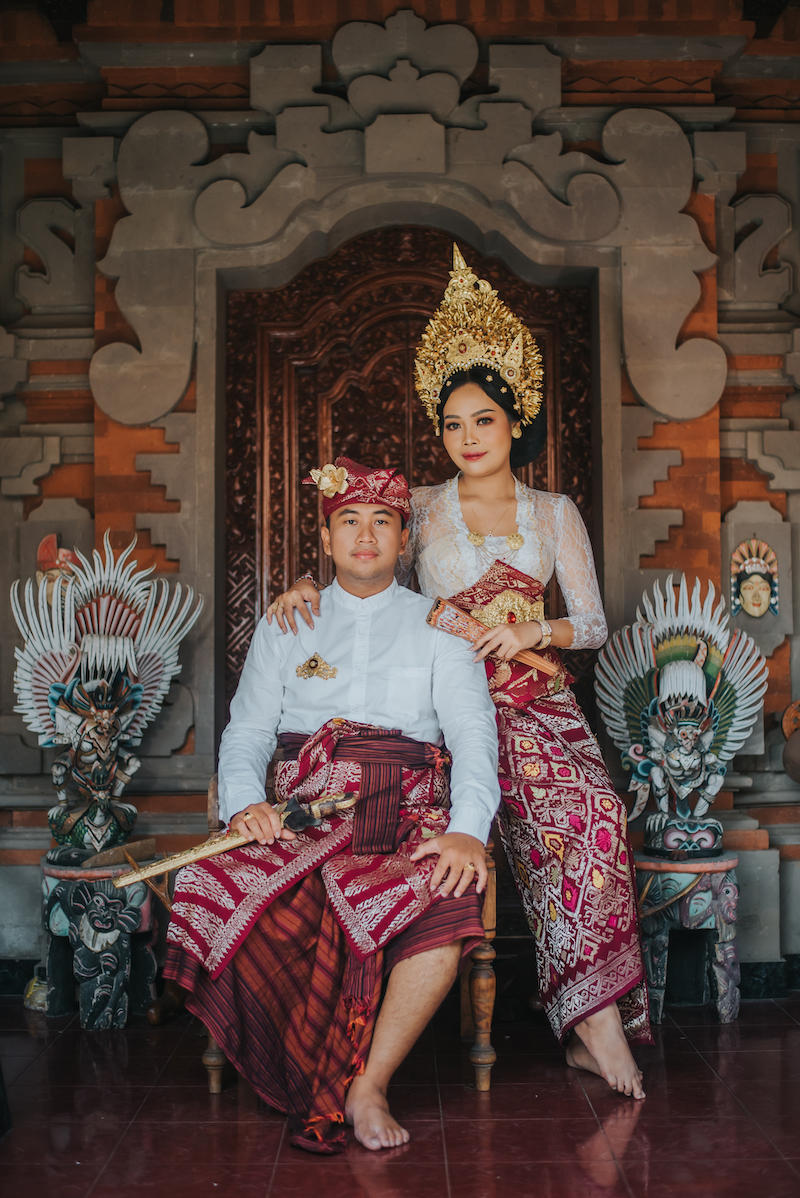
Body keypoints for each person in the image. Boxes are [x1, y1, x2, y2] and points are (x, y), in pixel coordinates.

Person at [268, 245, 653, 1100]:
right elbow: (367, 571)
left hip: (539, 707)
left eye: (483, 420)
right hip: (444, 709)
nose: (468, 437)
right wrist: (306, 585)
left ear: (515, 420)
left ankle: (592, 1023)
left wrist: (530, 629)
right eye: (452, 424)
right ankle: (588, 1033)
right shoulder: (422, 508)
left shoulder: (554, 513)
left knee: (593, 816)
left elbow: (592, 623)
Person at [163, 458, 500, 1154]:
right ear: (326, 536)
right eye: (349, 520)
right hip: (301, 817)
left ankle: (368, 1084)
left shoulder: (444, 627)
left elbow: (473, 734)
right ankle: (293, 1057)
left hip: (407, 815)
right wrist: (246, 806)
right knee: (207, 880)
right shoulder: (288, 623)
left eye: (382, 522)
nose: (366, 535)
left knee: (448, 896)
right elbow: (248, 732)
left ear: (404, 539)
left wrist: (469, 830)